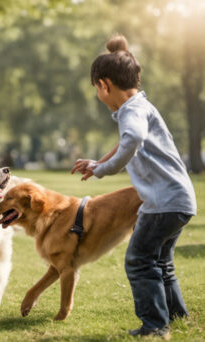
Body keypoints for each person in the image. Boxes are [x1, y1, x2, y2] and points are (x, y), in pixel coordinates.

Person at [71, 35, 196, 338]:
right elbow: (126, 142)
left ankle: (155, 326)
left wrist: (103, 170)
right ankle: (176, 317)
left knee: (139, 260)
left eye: (96, 90)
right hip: (178, 200)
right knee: (160, 261)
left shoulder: (131, 111)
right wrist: (97, 161)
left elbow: (134, 139)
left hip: (162, 203)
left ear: (104, 85)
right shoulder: (140, 106)